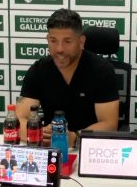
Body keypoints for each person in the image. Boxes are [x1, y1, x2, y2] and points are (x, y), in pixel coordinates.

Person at [17, 8, 120, 148]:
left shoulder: (102, 70)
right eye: (53, 41)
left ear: (81, 41)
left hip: (92, 148)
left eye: (67, 41)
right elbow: (19, 118)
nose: (59, 49)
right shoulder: (38, 70)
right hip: (52, 148)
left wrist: (75, 138)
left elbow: (109, 124)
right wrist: (40, 133)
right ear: (47, 39)